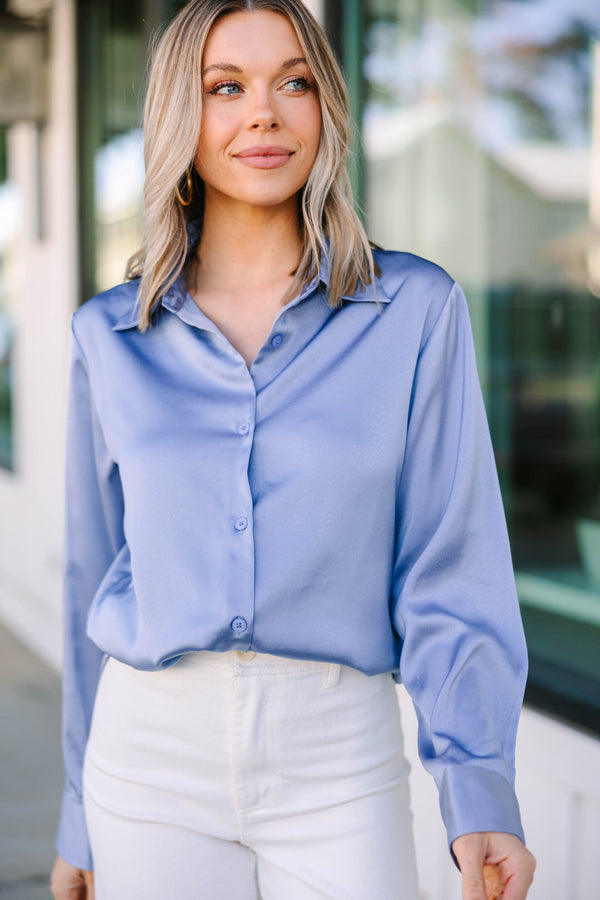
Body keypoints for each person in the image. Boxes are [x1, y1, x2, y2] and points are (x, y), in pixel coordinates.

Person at [50, 1, 536, 898]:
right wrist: (78, 808)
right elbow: (95, 573)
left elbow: (450, 565)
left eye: (295, 82)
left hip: (339, 756)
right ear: (179, 120)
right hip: (147, 757)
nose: (264, 112)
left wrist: (478, 788)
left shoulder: (417, 311)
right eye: (224, 87)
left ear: (327, 111)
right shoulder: (109, 336)